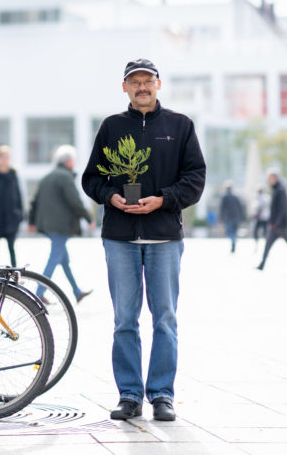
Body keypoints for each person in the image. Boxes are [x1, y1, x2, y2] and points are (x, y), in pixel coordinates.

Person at [82, 58, 206, 423]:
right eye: (134, 82)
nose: (141, 87)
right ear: (124, 88)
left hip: (164, 237)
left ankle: (163, 394)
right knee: (124, 319)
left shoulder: (180, 126)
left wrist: (164, 199)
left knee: (165, 318)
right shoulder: (111, 127)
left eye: (147, 81)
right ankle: (130, 394)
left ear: (158, 84)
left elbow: (195, 177)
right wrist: (111, 197)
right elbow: (91, 178)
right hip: (119, 237)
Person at [28, 144, 94, 303]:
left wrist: (31, 222)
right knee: (54, 258)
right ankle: (38, 292)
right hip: (60, 226)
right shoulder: (65, 177)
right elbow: (75, 201)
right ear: (69, 161)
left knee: (64, 260)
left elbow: (34, 202)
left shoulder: (47, 177)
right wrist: (89, 218)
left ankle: (77, 292)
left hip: (48, 225)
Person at [0, 146, 24, 266]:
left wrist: (19, 214)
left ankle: (15, 273)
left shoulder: (13, 175)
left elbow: (18, 196)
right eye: (2, 157)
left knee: (12, 249)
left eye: (7, 157)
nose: (5, 160)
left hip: (11, 218)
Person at [256, 168, 287, 270]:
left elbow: (283, 208)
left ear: (275, 178)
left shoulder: (280, 190)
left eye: (269, 178)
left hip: (280, 225)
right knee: (267, 244)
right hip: (275, 224)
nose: (268, 180)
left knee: (268, 244)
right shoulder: (276, 189)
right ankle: (262, 264)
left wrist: (276, 223)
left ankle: (262, 264)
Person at [219, 180, 245, 253]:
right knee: (234, 231)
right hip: (236, 217)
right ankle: (234, 241)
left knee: (229, 232)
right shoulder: (236, 196)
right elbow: (240, 207)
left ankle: (233, 240)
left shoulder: (224, 197)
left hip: (228, 217)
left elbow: (222, 208)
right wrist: (242, 217)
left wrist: (220, 218)